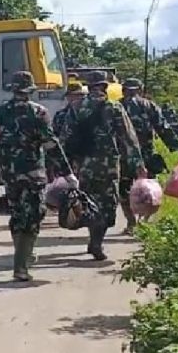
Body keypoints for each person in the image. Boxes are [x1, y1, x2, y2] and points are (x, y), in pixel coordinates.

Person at [0, 71, 77, 282]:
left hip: (9, 175)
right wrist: (67, 173)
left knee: (18, 214)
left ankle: (22, 257)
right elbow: (51, 145)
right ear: (30, 91)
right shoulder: (39, 113)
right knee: (34, 216)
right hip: (34, 174)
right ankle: (22, 264)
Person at [62, 70, 145, 260]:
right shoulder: (113, 108)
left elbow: (65, 137)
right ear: (105, 86)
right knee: (107, 205)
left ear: (88, 87)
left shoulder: (75, 107)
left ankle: (94, 239)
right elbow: (128, 137)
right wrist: (138, 163)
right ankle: (96, 242)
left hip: (82, 165)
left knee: (89, 202)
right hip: (108, 164)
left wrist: (63, 166)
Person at [119, 77, 178, 233]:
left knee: (124, 189)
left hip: (124, 155)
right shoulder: (148, 105)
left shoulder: (118, 106)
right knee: (149, 189)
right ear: (140, 89)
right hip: (145, 154)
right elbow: (163, 129)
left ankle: (131, 223)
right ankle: (144, 221)